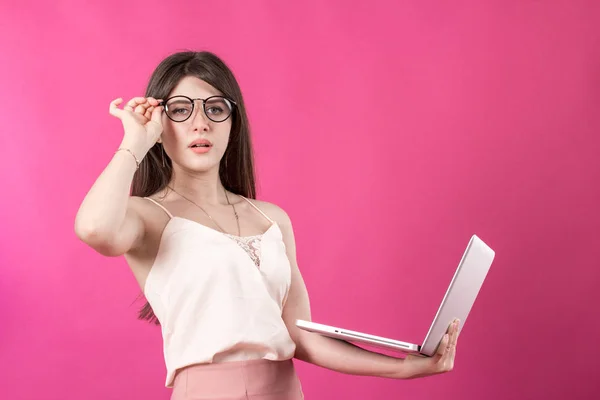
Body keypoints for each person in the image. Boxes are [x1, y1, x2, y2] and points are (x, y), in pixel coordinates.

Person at [74, 51, 460, 400]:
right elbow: (94, 229)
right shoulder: (146, 215)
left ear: (233, 122)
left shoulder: (272, 218)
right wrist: (136, 142)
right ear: (161, 123)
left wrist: (405, 365)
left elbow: (301, 336)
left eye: (215, 109)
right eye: (180, 110)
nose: (200, 123)